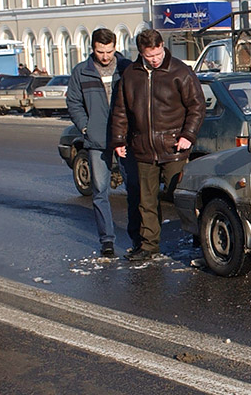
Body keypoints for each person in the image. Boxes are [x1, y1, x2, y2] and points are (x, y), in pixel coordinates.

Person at [111, 29, 205, 262]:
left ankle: (200, 239)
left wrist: (188, 136)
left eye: (157, 53)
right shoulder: (131, 75)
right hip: (142, 147)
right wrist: (119, 139)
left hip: (174, 146)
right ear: (141, 52)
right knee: (146, 200)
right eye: (149, 55)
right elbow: (121, 110)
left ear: (163, 46)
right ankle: (149, 245)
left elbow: (197, 106)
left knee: (181, 196)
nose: (154, 59)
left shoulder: (180, 72)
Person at [66, 28, 135, 258]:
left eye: (109, 51)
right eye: (100, 51)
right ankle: (107, 239)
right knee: (100, 191)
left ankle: (137, 238)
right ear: (92, 48)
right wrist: (86, 127)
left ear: (115, 47)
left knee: (133, 189)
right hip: (96, 140)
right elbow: (73, 102)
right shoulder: (81, 72)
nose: (105, 56)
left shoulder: (126, 68)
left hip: (124, 137)